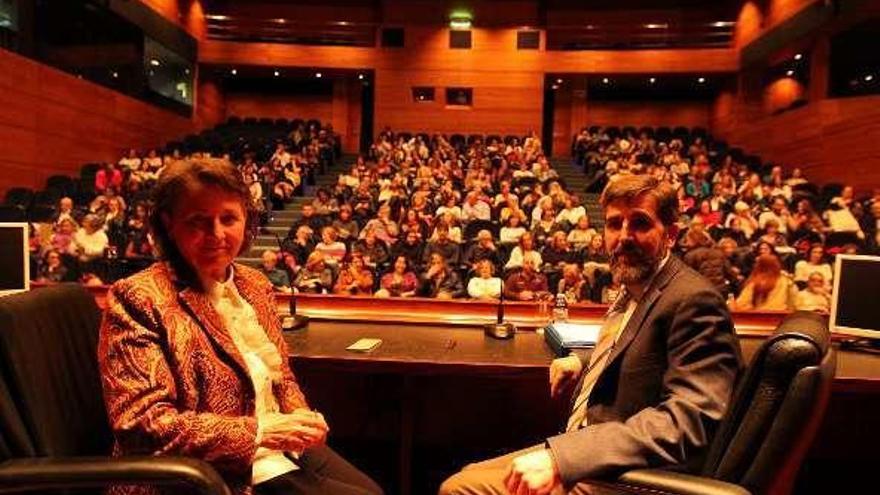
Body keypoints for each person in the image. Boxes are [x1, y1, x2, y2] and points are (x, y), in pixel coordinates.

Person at [440, 174, 742, 495]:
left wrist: (565, 459)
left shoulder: (694, 300)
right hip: (594, 450)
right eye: (614, 224)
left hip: (633, 476)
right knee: (469, 473)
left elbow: (687, 421)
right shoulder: (638, 288)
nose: (624, 236)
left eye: (640, 223)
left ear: (670, 234)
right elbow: (639, 352)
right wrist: (582, 361)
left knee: (460, 490)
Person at [98, 159, 382, 495]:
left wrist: (300, 416)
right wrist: (261, 432)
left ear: (246, 220)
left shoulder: (254, 285)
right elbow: (142, 425)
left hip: (273, 447)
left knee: (371, 489)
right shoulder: (138, 297)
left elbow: (281, 378)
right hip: (200, 472)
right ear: (168, 224)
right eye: (198, 222)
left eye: (228, 218)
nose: (217, 234)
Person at [731, 254, 797, 311]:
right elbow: (793, 299)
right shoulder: (785, 279)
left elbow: (741, 304)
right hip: (782, 315)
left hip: (760, 316)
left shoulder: (755, 282)